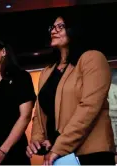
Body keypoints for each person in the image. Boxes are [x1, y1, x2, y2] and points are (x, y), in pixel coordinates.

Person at [26, 15, 115, 165]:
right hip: (60, 155)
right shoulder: (47, 71)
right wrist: (37, 139)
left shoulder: (92, 58)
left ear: (75, 30)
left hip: (91, 154)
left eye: (60, 26)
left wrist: (60, 146)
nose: (54, 31)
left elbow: (89, 107)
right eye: (52, 27)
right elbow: (39, 113)